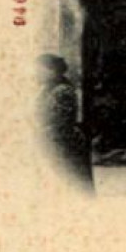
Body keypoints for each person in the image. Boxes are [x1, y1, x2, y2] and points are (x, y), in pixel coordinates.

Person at [39, 54, 92, 190]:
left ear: (52, 70)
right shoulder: (46, 89)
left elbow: (60, 122)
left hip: (65, 142)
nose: (36, 73)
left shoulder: (63, 90)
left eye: (40, 69)